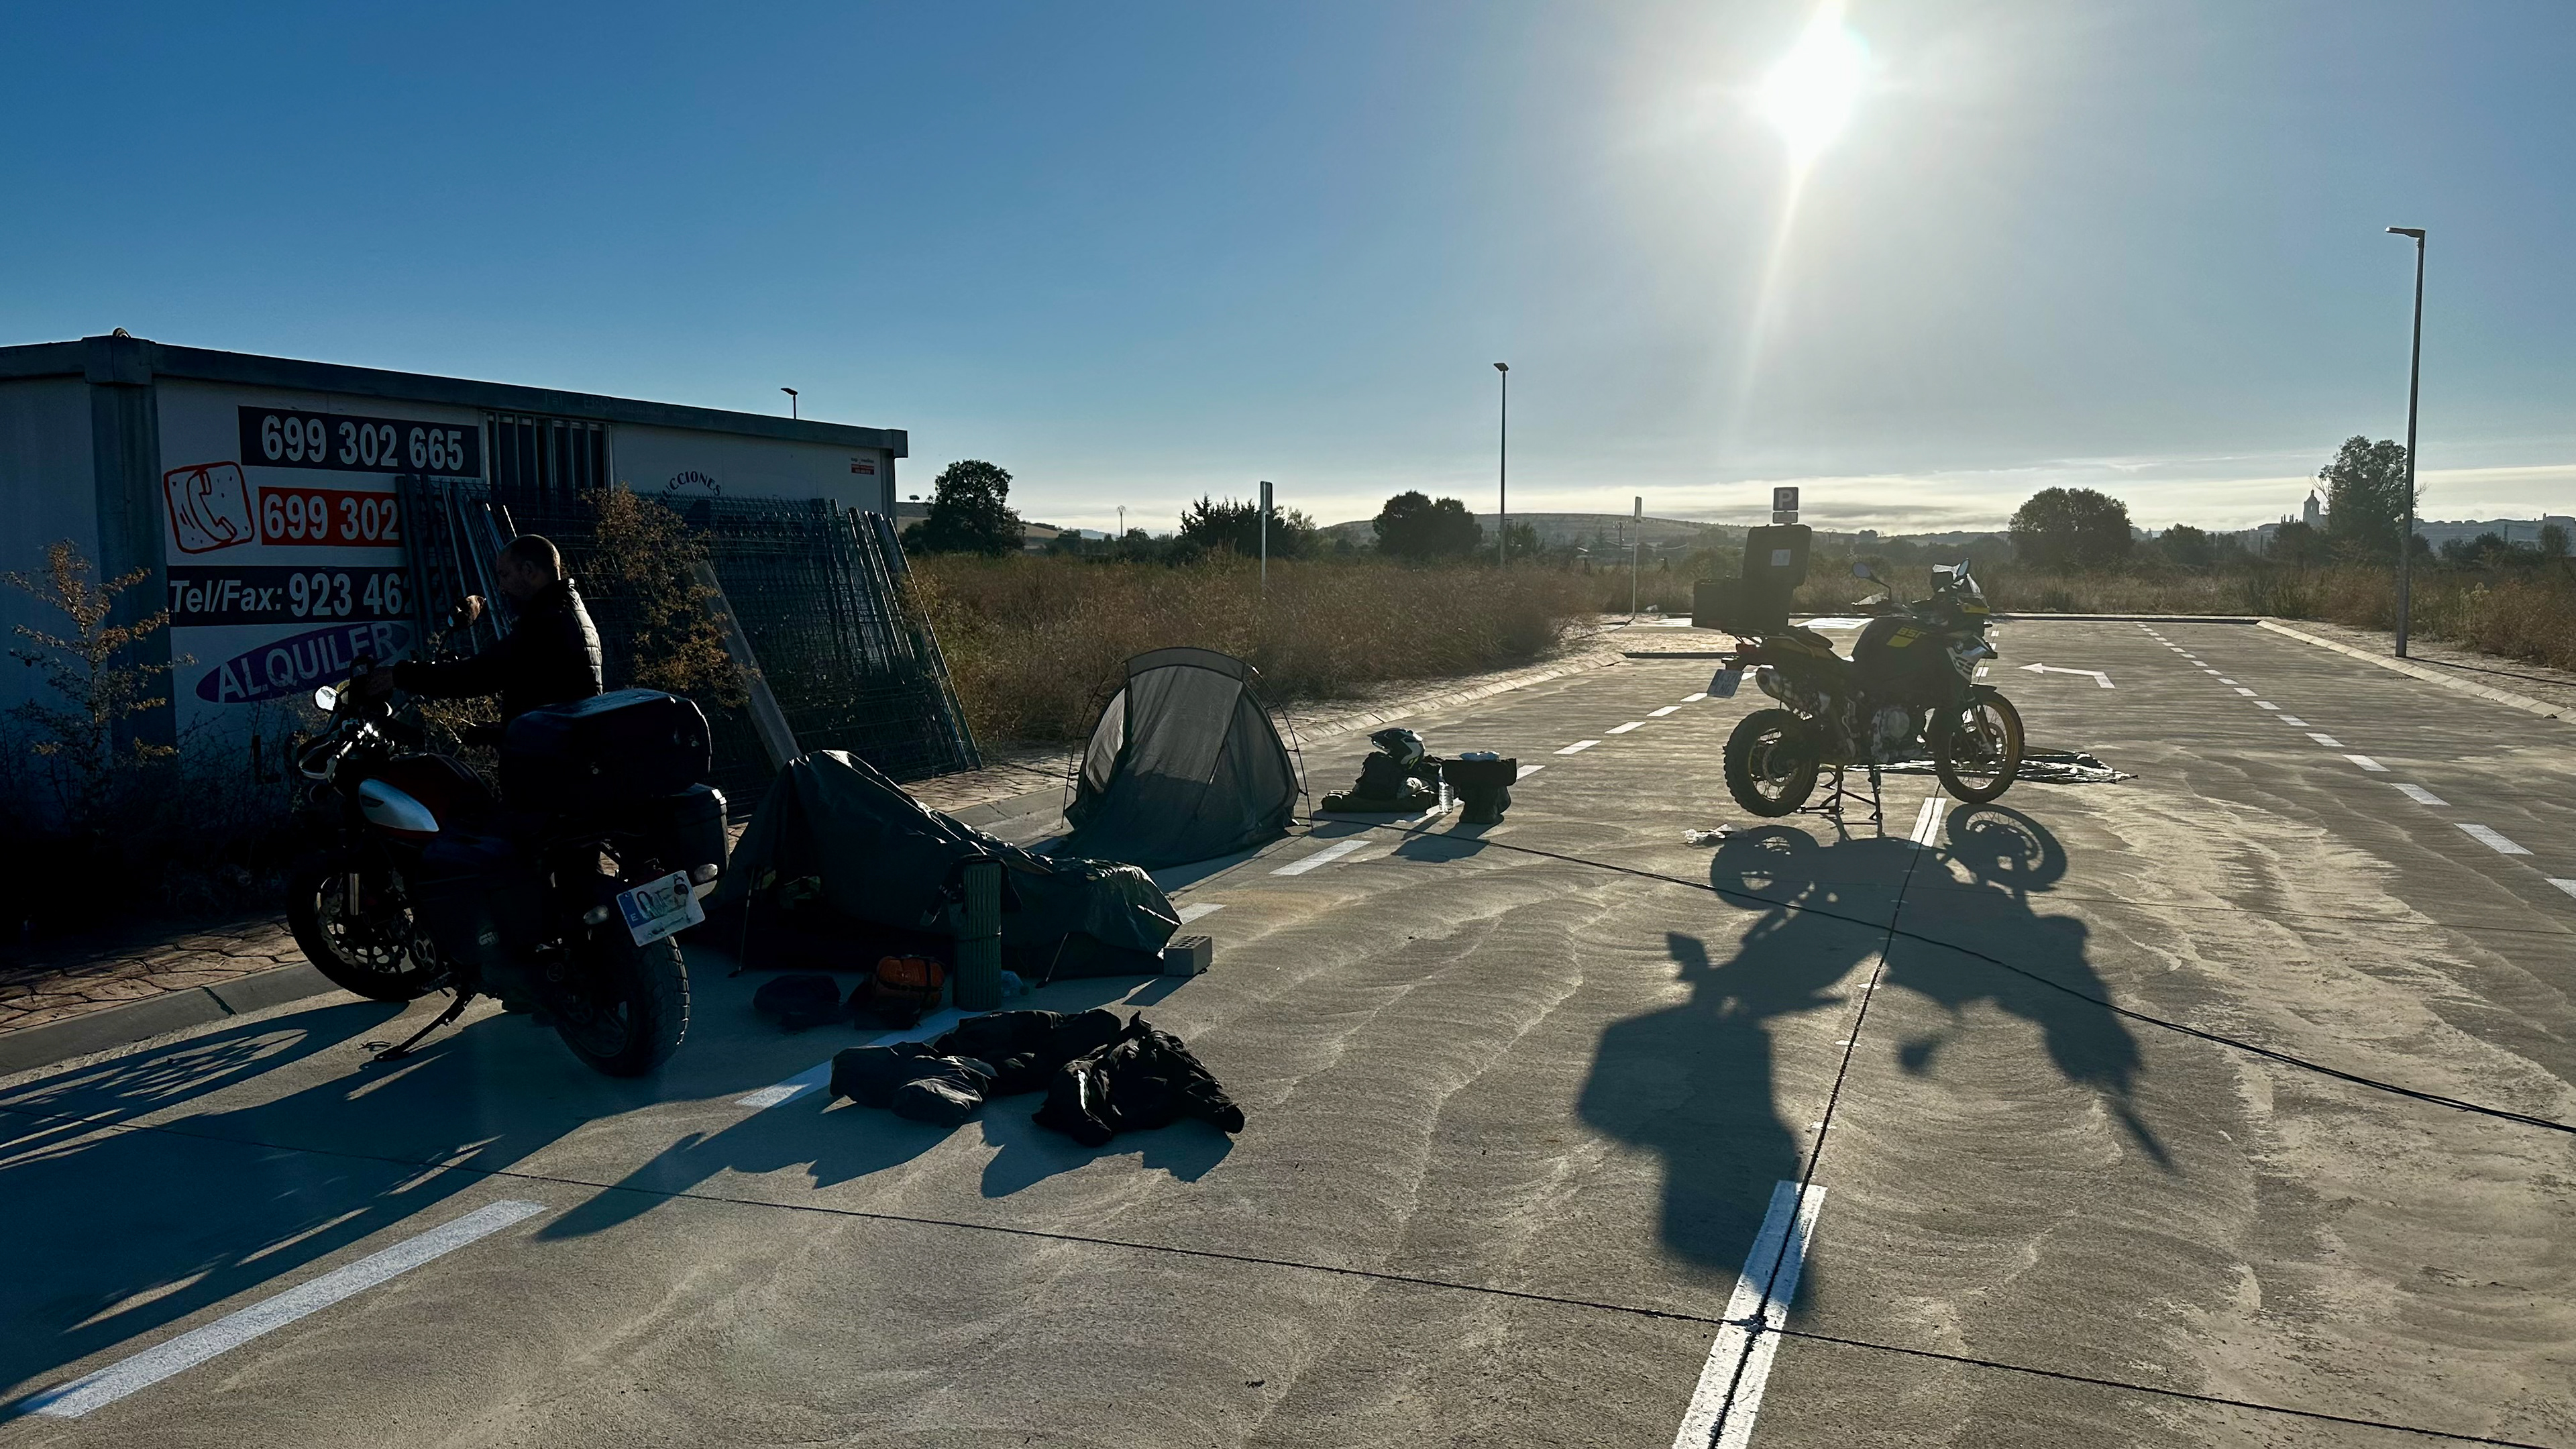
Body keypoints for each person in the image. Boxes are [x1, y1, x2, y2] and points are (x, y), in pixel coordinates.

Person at [354, 535, 602, 723]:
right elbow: (548, 697)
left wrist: (399, 675)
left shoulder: (548, 622)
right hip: (561, 759)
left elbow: (478, 674)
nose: (501, 587)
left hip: (549, 769)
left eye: (504, 575)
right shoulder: (570, 612)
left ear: (529, 571)